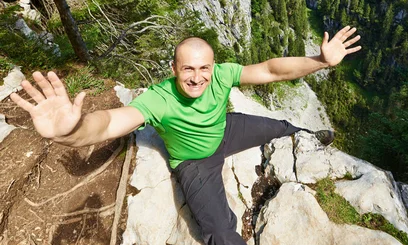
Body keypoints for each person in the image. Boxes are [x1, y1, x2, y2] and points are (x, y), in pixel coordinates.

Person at [10, 26, 361, 245]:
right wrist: (71, 130)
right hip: (194, 164)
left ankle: (311, 137)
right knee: (221, 233)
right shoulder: (159, 98)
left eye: (203, 67)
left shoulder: (223, 75)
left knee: (282, 127)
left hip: (226, 130)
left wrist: (320, 60)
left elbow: (270, 69)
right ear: (174, 69)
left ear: (213, 66)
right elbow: (108, 123)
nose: (197, 77)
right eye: (188, 69)